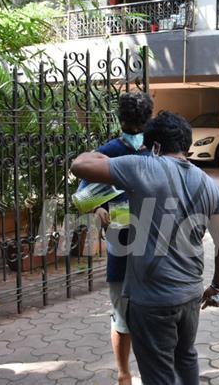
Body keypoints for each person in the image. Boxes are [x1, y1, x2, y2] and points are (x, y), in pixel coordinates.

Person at [71, 110, 219, 385]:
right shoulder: (210, 185)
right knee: (185, 358)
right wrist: (217, 286)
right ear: (187, 145)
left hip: (152, 299)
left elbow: (79, 165)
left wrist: (111, 156)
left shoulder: (142, 167)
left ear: (155, 146)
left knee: (158, 374)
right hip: (191, 295)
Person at [77, 91, 153, 385]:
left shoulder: (155, 152)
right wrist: (97, 207)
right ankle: (124, 375)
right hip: (122, 236)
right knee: (122, 312)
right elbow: (84, 197)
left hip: (151, 239)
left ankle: (144, 371)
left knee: (141, 314)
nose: (135, 127)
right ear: (123, 120)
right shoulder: (106, 152)